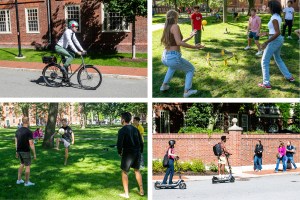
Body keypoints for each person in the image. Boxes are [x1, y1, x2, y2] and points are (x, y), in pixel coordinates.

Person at [160, 10, 204, 98]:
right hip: (173, 57)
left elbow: (176, 42)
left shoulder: (166, 27)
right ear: (175, 17)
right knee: (190, 69)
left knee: (172, 67)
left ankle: (164, 86)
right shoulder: (175, 26)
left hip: (165, 57)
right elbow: (179, 43)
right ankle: (187, 91)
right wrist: (195, 47)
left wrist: (190, 37)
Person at [258, 0, 294, 89]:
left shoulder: (274, 18)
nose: (267, 8)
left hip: (275, 40)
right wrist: (266, 33)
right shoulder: (277, 16)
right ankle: (289, 76)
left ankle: (266, 83)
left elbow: (277, 32)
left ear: (272, 8)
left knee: (264, 61)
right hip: (278, 40)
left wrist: (266, 42)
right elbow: (274, 31)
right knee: (278, 58)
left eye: (268, 6)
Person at [117, 112, 144, 199]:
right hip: (137, 152)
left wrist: (119, 152)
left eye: (121, 118)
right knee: (137, 170)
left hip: (128, 153)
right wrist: (141, 151)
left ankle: (126, 194)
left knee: (124, 172)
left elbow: (119, 143)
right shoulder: (135, 129)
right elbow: (141, 142)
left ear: (123, 120)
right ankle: (141, 191)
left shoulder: (122, 130)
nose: (121, 120)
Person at [15, 117, 36, 186]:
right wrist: (34, 154)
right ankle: (27, 182)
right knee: (27, 166)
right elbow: (31, 144)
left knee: (22, 164)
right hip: (26, 151)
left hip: (19, 151)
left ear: (22, 121)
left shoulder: (17, 131)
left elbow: (16, 142)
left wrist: (16, 151)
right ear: (28, 122)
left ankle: (19, 180)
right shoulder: (29, 131)